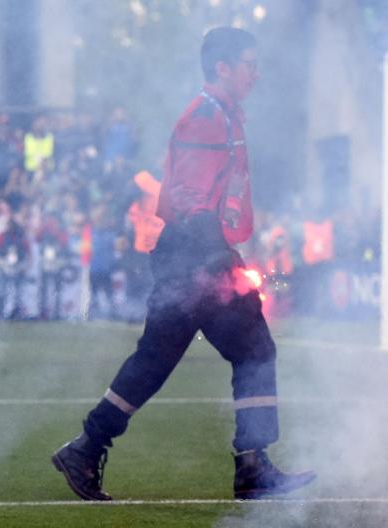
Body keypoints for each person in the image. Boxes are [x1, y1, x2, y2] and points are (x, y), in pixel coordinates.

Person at [52, 27, 315, 501]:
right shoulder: (206, 117)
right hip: (195, 257)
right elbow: (191, 195)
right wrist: (214, 258)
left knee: (181, 356)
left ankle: (89, 449)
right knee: (240, 351)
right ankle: (249, 466)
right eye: (249, 64)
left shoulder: (224, 115)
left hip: (197, 255)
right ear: (223, 67)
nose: (256, 73)